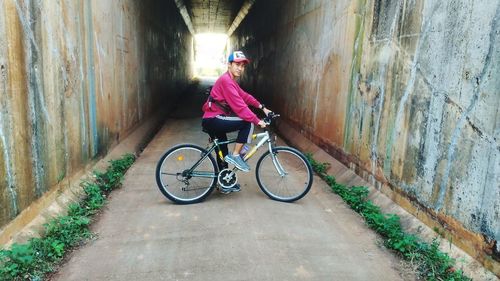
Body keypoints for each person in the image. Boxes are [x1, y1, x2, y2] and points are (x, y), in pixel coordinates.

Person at [202, 50, 272, 179]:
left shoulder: (231, 81)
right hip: (213, 119)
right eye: (237, 65)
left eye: (243, 66)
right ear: (229, 65)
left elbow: (245, 96)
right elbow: (241, 108)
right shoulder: (226, 81)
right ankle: (236, 155)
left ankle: (224, 181)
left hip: (212, 119)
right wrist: (258, 121)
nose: (240, 68)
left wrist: (263, 108)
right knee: (247, 123)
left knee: (222, 151)